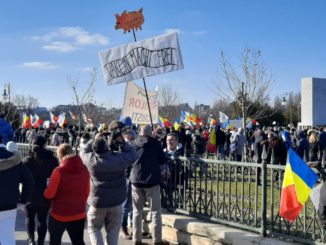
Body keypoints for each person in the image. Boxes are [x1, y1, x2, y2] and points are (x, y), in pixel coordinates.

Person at [79, 120, 137, 245]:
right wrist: (122, 142)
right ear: (107, 147)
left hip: (97, 202)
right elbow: (133, 154)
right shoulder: (119, 159)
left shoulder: (90, 160)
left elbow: (82, 151)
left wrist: (94, 139)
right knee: (113, 231)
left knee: (94, 228)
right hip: (116, 202)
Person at [130, 125, 169, 245]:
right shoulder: (155, 143)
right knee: (155, 211)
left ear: (140, 132)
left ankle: (137, 239)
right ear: (150, 132)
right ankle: (157, 240)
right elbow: (162, 160)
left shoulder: (133, 143)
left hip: (136, 180)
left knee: (137, 211)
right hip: (152, 181)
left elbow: (129, 160)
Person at [44, 143, 90, 245]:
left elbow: (49, 194)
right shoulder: (85, 169)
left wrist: (46, 188)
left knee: (54, 242)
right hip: (79, 213)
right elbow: (87, 192)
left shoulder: (58, 171)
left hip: (59, 215)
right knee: (78, 241)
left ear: (61, 156)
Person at [23, 136, 59, 245]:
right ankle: (40, 242)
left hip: (29, 193)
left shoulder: (27, 160)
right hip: (45, 193)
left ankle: (31, 240)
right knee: (42, 220)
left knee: (29, 217)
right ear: (45, 144)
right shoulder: (52, 159)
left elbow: (22, 178)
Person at [0, 136, 34, 245]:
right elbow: (29, 182)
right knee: (8, 237)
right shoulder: (15, 160)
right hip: (9, 205)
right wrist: (23, 201)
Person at [121, 128, 137, 240]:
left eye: (131, 133)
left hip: (134, 176)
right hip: (127, 177)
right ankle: (123, 228)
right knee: (126, 204)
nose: (131, 135)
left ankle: (133, 226)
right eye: (129, 134)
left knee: (133, 205)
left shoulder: (133, 145)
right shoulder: (123, 147)